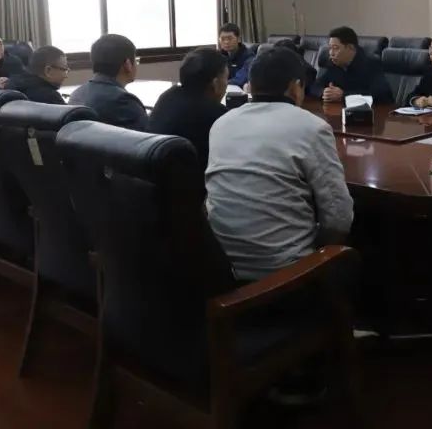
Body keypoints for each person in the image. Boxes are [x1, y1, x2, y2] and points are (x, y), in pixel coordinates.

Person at [205, 47, 353, 280]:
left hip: (219, 269)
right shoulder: (311, 127)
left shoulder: (222, 124)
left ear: (250, 86)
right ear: (295, 87)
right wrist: (317, 251)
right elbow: (339, 218)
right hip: (284, 277)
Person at [149, 48, 228, 171]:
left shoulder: (168, 96)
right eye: (226, 78)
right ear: (215, 83)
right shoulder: (217, 115)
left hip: (153, 175)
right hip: (191, 180)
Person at [69, 34, 147, 130]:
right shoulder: (123, 101)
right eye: (136, 60)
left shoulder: (76, 94)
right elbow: (150, 134)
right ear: (128, 64)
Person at [309, 26, 393, 104]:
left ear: (350, 48)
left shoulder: (371, 63)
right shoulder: (334, 63)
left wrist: (344, 95)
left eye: (336, 48)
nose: (331, 53)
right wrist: (324, 93)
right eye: (330, 48)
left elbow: (382, 94)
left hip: (367, 112)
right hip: (339, 110)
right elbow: (315, 85)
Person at [218, 23, 255, 87]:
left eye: (230, 38)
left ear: (239, 39)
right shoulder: (219, 55)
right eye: (223, 39)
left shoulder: (249, 56)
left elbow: (240, 80)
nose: (226, 42)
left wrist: (219, 85)